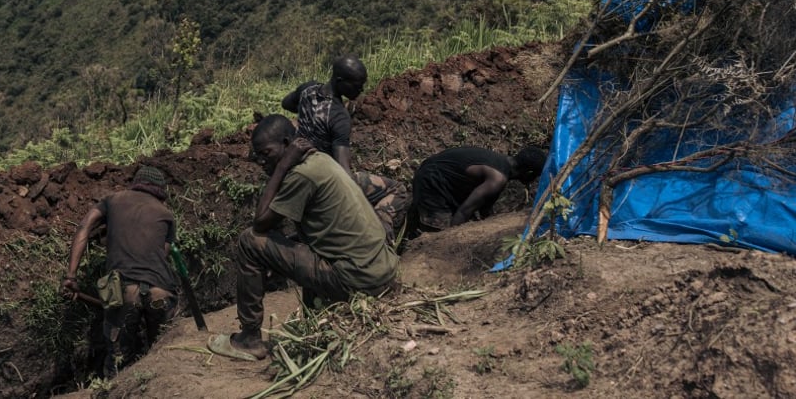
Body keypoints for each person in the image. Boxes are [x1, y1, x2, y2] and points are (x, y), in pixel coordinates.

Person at [213, 115, 399, 360]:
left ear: (288, 144)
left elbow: (260, 223)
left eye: (266, 154)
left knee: (250, 241)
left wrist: (281, 167)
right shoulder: (321, 159)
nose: (261, 162)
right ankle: (316, 321)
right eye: (257, 156)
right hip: (383, 272)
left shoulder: (301, 175)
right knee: (305, 245)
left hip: (357, 279)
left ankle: (249, 339)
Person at [62, 165, 179, 375]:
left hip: (124, 290)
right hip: (161, 291)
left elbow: (84, 227)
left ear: (136, 184)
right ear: (160, 191)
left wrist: (71, 276)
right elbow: (163, 253)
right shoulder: (166, 214)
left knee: (118, 361)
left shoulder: (113, 200)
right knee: (162, 354)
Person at [282, 54, 409, 245]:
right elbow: (344, 173)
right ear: (340, 81)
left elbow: (286, 103)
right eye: (357, 85)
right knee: (397, 189)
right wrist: (366, 212)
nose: (361, 89)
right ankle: (379, 225)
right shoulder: (339, 117)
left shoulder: (307, 90)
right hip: (324, 180)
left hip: (297, 171)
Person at [410, 146, 549, 232]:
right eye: (535, 176)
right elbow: (464, 211)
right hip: (432, 182)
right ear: (529, 172)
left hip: (436, 175)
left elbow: (484, 210)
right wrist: (451, 238)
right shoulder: (497, 178)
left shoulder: (501, 163)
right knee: (438, 232)